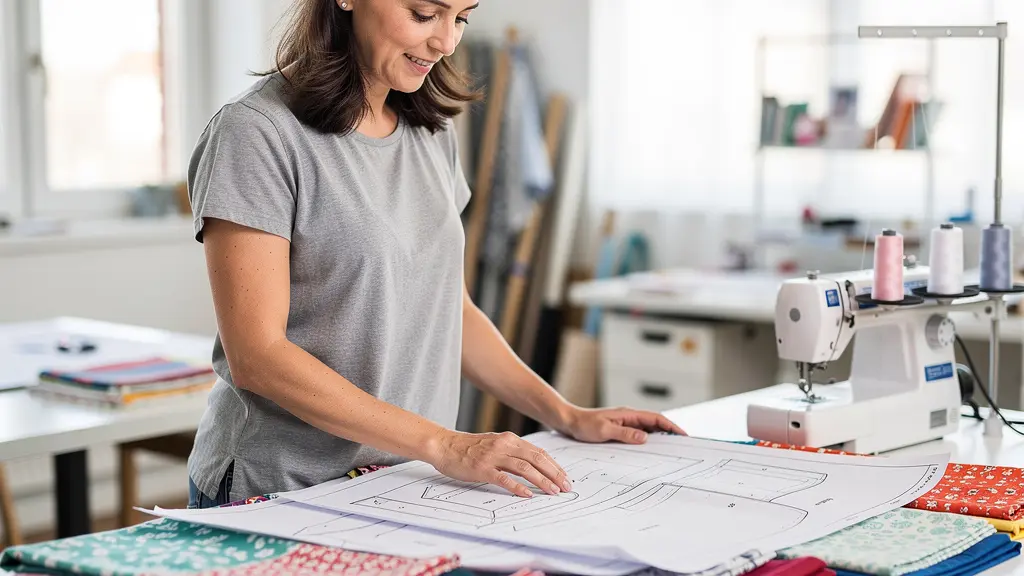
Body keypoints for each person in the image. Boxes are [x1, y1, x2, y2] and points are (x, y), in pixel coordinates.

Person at [184, 0, 685, 509]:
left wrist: (565, 414)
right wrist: (445, 443)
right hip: (281, 490)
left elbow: (451, 310)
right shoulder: (256, 133)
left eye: (461, 18)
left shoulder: (431, 130)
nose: (446, 42)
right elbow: (257, 357)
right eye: (425, 13)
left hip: (402, 482)